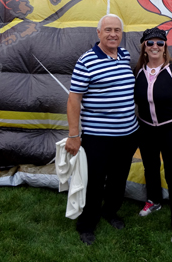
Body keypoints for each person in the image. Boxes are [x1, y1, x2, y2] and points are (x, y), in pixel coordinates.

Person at [65, 14, 139, 245]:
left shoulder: (124, 55)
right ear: (98, 33)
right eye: (108, 30)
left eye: (117, 30)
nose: (113, 34)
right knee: (95, 182)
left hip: (127, 134)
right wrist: (74, 135)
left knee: (119, 179)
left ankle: (110, 212)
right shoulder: (86, 61)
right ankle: (87, 224)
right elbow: (74, 99)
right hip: (98, 137)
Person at [134, 27, 172, 243]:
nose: (155, 47)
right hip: (146, 128)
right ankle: (154, 200)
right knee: (149, 166)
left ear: (165, 46)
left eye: (160, 43)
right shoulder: (138, 71)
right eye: (150, 43)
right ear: (144, 47)